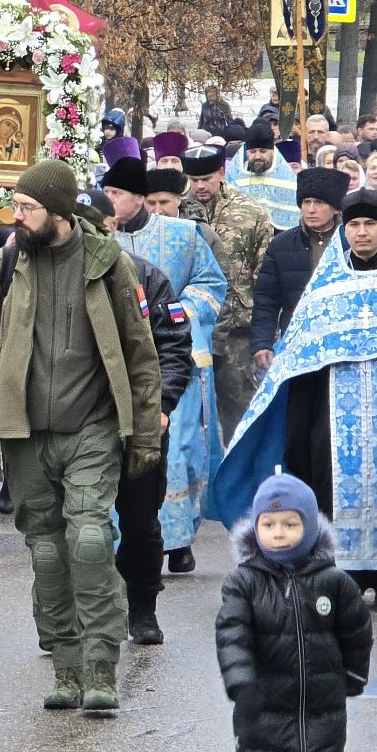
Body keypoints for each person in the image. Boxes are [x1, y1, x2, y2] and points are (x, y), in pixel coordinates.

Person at [0, 160, 159, 714]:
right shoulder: (3, 266)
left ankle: (101, 666)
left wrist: (143, 432)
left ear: (60, 211)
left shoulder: (108, 264)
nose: (16, 217)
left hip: (92, 427)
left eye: (28, 208)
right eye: (16, 207)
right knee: (46, 552)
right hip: (24, 435)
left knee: (90, 540)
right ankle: (67, 669)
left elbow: (141, 354)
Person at [218, 189, 377, 609]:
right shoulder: (325, 288)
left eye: (371, 225)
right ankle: (340, 573)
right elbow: (301, 351)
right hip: (334, 409)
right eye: (354, 226)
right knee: (328, 481)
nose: (363, 233)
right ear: (345, 230)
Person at [104, 157, 227, 578]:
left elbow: (212, 284)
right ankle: (132, 541)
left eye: (117, 194)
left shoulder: (185, 235)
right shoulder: (102, 242)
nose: (111, 201)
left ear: (138, 198)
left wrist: (175, 312)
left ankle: (178, 540)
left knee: (182, 450)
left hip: (179, 359)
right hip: (122, 364)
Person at [216, 471, 372, 752]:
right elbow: (232, 634)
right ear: (255, 527)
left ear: (310, 527)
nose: (278, 533)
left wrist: (355, 673)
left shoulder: (333, 581)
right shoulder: (244, 582)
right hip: (264, 705)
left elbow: (356, 629)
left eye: (290, 524)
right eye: (268, 524)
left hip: (322, 707)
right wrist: (241, 682)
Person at [185, 145, 273, 437]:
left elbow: (264, 276)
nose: (200, 186)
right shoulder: (177, 211)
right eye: (194, 179)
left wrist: (264, 334)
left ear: (221, 173)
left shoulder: (251, 212)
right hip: (189, 329)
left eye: (207, 178)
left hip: (237, 330)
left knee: (239, 412)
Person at [250, 168, 347, 376]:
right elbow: (266, 299)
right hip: (296, 340)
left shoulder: (350, 241)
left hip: (342, 341)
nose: (311, 209)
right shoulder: (281, 244)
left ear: (336, 208)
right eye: (306, 202)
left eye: (319, 203)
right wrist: (262, 343)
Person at [228, 122, 300, 230]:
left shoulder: (286, 178)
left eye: (263, 151)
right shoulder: (234, 177)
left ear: (273, 152)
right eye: (252, 151)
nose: (257, 156)